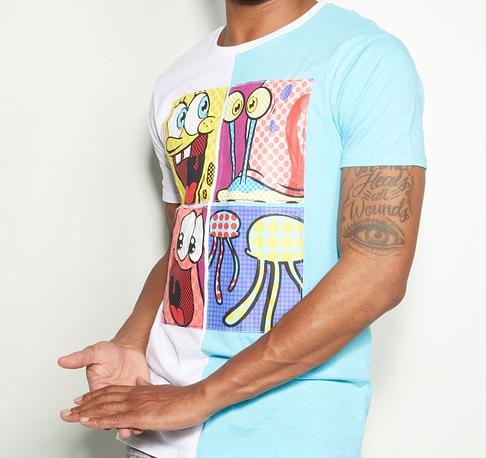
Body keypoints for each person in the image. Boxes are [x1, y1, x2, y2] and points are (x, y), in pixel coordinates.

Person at [58, 1, 427, 457]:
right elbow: (185, 247)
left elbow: (377, 273)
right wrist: (131, 342)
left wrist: (200, 398)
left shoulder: (365, 56)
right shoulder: (176, 81)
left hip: (288, 436)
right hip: (157, 432)